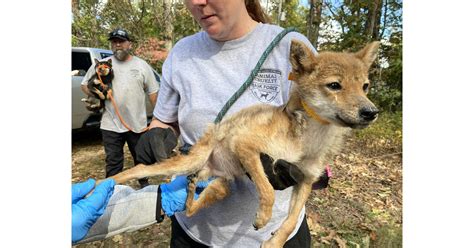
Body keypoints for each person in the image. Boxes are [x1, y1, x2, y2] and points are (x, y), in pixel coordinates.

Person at [81, 28, 159, 188]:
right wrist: (97, 92)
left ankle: (145, 190)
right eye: (114, 42)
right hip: (110, 125)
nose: (118, 45)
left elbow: (153, 94)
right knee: (113, 163)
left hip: (137, 125)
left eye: (121, 41)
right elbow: (84, 85)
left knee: (142, 160)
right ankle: (111, 195)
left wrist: (157, 121)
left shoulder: (141, 65)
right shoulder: (102, 65)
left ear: (129, 44)